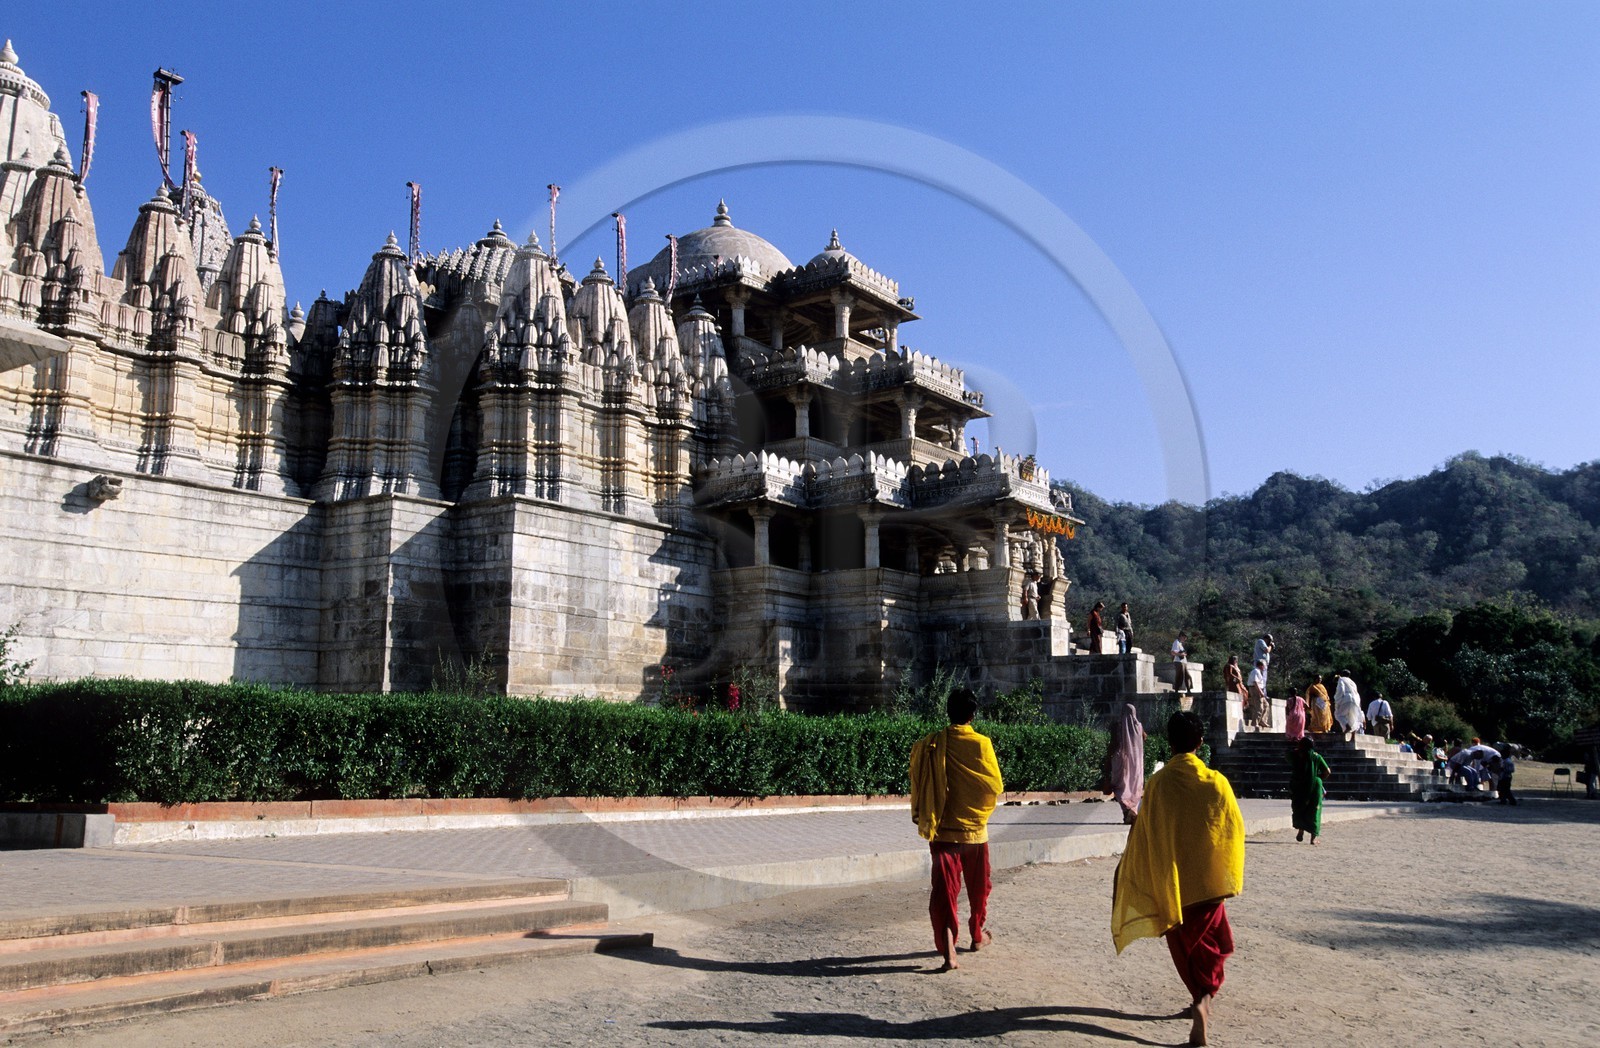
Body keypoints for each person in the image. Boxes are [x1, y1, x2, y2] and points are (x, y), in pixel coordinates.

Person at [1112, 711, 1245, 1047]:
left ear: (1169, 743)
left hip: (1175, 887)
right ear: (1200, 743)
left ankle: (1199, 998)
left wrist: (1131, 872)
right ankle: (1203, 1000)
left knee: (1188, 950)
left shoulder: (1157, 784)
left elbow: (1145, 834)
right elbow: (1232, 830)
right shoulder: (1216, 782)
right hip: (1210, 883)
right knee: (1215, 948)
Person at [909, 688, 1005, 971]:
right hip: (974, 832)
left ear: (948, 711)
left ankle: (949, 951)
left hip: (943, 831)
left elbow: (917, 774)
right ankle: (977, 935)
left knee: (944, 892)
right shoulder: (982, 744)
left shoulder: (931, 744)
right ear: (972, 715)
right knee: (979, 888)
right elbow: (993, 785)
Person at [1104, 703, 1147, 824]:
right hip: (1136, 761)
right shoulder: (1139, 727)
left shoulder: (1118, 726)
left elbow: (1113, 744)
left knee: (1120, 786)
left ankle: (1127, 812)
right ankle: (1130, 811)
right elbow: (1145, 737)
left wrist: (1108, 758)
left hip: (1121, 761)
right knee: (1133, 786)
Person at [1288, 736, 1330, 844]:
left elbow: (1288, 756)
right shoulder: (1317, 757)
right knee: (1314, 810)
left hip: (1299, 785)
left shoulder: (1295, 755)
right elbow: (1327, 771)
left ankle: (1301, 831)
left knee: (1300, 807)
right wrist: (1317, 778)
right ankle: (1313, 837)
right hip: (1314, 785)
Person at [1332, 671, 1364, 740]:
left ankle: (1347, 726)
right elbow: (1356, 693)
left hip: (1346, 699)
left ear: (1342, 674)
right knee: (1353, 717)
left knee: (1338, 715)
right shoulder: (1353, 682)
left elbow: (1341, 690)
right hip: (1355, 700)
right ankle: (1353, 737)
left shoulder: (1341, 679)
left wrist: (1337, 700)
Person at [1246, 659, 1271, 730]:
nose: (1265, 667)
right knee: (1259, 707)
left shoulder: (1259, 672)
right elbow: (1255, 683)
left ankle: (1262, 720)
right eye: (1264, 666)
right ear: (1261, 665)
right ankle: (1255, 722)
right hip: (1255, 689)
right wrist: (1261, 692)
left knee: (1266, 705)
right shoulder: (1255, 671)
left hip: (1258, 689)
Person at [1171, 632, 1191, 697]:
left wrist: (1183, 654)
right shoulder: (1176, 642)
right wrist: (1181, 654)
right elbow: (1173, 652)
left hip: (1183, 662)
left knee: (1187, 675)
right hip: (1178, 661)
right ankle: (1176, 689)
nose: (1185, 639)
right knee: (1180, 676)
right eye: (1184, 637)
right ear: (1181, 636)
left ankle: (1188, 689)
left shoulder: (1180, 644)